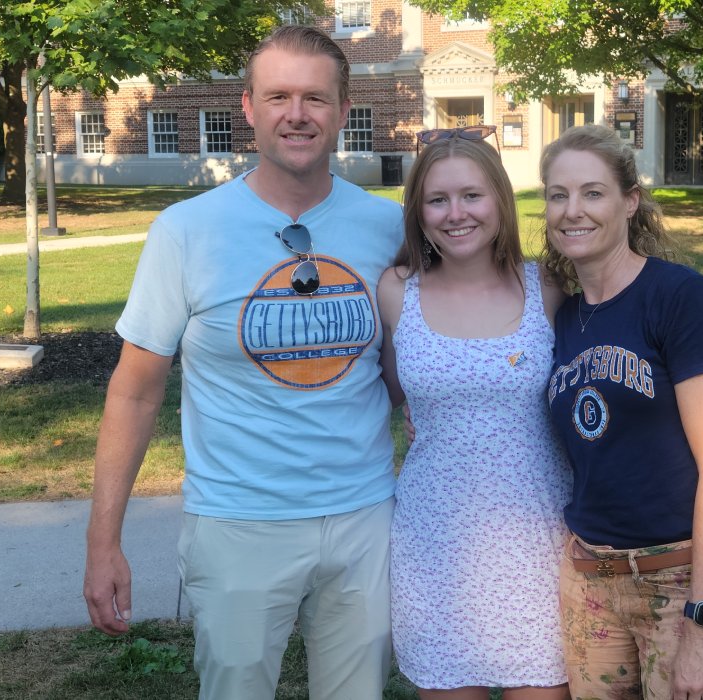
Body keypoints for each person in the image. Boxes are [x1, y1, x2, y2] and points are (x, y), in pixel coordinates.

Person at [82, 26, 403, 700]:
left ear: (344, 111)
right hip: (238, 522)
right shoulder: (187, 231)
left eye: (316, 98)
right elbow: (135, 394)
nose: (297, 114)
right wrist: (102, 541)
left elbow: (417, 369)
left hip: (364, 516)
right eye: (278, 95)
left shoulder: (388, 229)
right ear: (249, 109)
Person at [540, 124, 703, 700]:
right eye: (557, 195)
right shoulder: (563, 318)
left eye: (592, 192)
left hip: (681, 578)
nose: (571, 211)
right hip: (592, 579)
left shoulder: (681, 300)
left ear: (630, 201)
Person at [377, 126, 572, 700]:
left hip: (537, 535)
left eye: (472, 196)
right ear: (418, 211)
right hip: (435, 539)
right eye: (437, 199)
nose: (454, 213)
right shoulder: (396, 290)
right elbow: (390, 389)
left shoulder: (549, 286)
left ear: (500, 202)